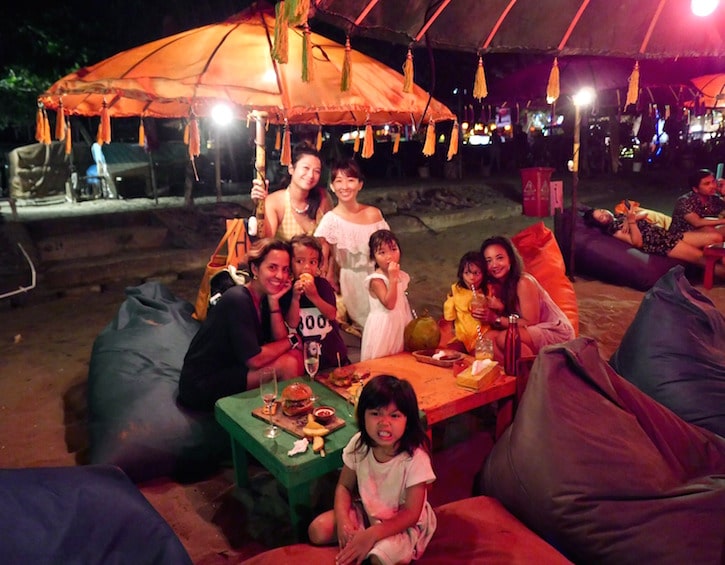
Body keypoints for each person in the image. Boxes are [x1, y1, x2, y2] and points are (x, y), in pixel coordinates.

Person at [307, 374, 437, 565]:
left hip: (403, 526)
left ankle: (375, 544)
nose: (384, 423)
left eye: (394, 415)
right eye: (375, 414)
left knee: (379, 557)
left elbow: (411, 513)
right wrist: (344, 521)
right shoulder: (359, 444)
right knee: (317, 530)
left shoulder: (415, 459)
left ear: (408, 420)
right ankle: (364, 539)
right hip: (367, 512)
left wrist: (372, 535)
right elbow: (344, 486)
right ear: (363, 416)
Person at [178, 238, 303, 411]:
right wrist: (292, 340)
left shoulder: (265, 297)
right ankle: (289, 415)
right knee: (289, 362)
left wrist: (274, 302)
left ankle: (286, 412)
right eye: (272, 267)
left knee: (293, 357)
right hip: (203, 383)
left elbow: (277, 341)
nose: (280, 276)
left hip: (234, 368)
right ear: (255, 268)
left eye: (285, 269)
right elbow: (255, 359)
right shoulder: (238, 299)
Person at [314, 158, 389, 328]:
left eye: (350, 180)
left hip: (378, 277)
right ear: (332, 187)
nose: (345, 186)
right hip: (352, 282)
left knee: (388, 325)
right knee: (365, 327)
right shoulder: (330, 220)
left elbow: (389, 251)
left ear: (360, 184)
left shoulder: (373, 214)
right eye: (338, 181)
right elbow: (324, 258)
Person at [474, 236, 575, 362]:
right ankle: (515, 373)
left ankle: (532, 373)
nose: (494, 265)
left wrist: (495, 318)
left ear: (510, 259)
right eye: (488, 261)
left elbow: (530, 322)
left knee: (506, 338)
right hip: (527, 332)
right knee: (487, 339)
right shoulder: (497, 285)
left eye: (499, 258)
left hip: (553, 331)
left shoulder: (524, 282)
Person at [584, 207, 725, 279]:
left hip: (667, 235)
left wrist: (629, 218)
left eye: (602, 211)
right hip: (661, 243)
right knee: (703, 259)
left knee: (715, 238)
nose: (605, 215)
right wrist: (632, 222)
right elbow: (637, 242)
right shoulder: (615, 229)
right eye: (601, 217)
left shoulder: (621, 218)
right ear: (599, 224)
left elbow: (644, 213)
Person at [282, 234, 350, 369]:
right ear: (290, 263)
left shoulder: (323, 285)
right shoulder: (288, 289)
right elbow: (292, 322)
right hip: (307, 356)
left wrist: (314, 295)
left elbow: (331, 314)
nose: (307, 267)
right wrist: (295, 298)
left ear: (318, 264)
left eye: (312, 262)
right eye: (300, 261)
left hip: (332, 351)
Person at [250, 143, 333, 241]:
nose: (311, 175)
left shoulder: (323, 198)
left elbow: (329, 241)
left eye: (317, 171)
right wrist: (260, 205)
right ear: (291, 169)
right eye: (306, 168)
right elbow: (267, 241)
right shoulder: (275, 202)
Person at [360, 230, 413, 361]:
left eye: (393, 249)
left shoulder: (401, 275)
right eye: (382, 252)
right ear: (373, 257)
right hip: (384, 327)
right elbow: (389, 304)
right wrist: (393, 279)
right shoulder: (376, 280)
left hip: (401, 322)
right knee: (383, 362)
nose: (389, 256)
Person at [442, 251, 489, 353]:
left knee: (477, 359)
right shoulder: (456, 290)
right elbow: (449, 317)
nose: (472, 278)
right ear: (461, 273)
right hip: (461, 338)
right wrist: (450, 301)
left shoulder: (488, 290)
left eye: (476, 273)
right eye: (467, 273)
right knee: (450, 353)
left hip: (482, 337)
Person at [668, 169, 725, 239]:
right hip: (681, 236)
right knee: (714, 233)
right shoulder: (685, 200)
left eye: (713, 182)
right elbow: (697, 222)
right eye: (707, 184)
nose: (712, 186)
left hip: (703, 231)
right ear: (695, 189)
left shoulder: (714, 198)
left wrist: (723, 192)